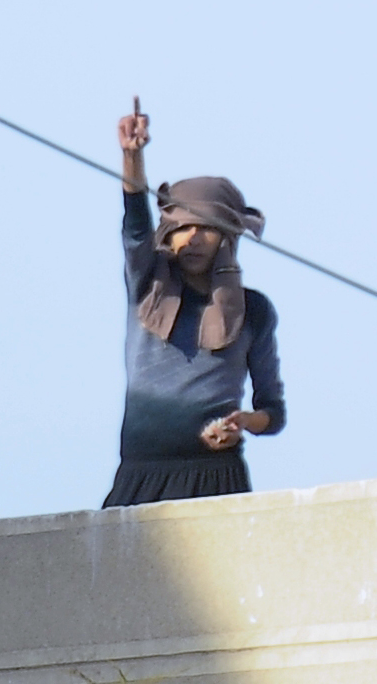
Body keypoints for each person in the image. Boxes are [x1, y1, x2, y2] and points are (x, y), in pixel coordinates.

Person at [103, 100, 286, 507]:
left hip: (216, 476)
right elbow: (135, 224)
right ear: (169, 235)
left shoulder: (253, 310)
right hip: (141, 475)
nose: (194, 239)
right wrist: (132, 155)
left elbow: (273, 412)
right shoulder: (147, 285)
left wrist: (243, 423)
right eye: (183, 228)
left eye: (207, 228)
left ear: (227, 237)